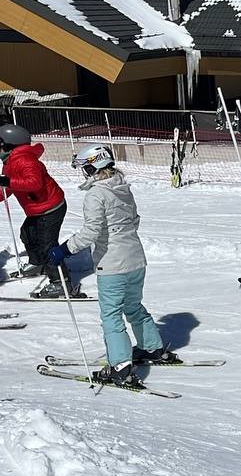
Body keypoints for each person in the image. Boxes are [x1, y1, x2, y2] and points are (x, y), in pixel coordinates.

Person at [46, 145, 179, 387]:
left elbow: (90, 233)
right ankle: (152, 348)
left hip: (113, 265)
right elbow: (134, 220)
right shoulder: (122, 187)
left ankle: (120, 367)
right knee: (133, 306)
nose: (84, 174)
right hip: (135, 260)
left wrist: (64, 249)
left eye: (85, 168)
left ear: (92, 167)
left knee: (111, 315)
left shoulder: (96, 195)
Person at [0, 124, 78, 298]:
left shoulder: (25, 160)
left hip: (50, 208)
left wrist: (9, 182)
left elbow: (34, 183)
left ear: (11, 144)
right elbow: (4, 190)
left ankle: (61, 283)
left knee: (47, 245)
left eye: (0, 143)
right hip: (37, 209)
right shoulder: (11, 161)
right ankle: (38, 263)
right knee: (27, 234)